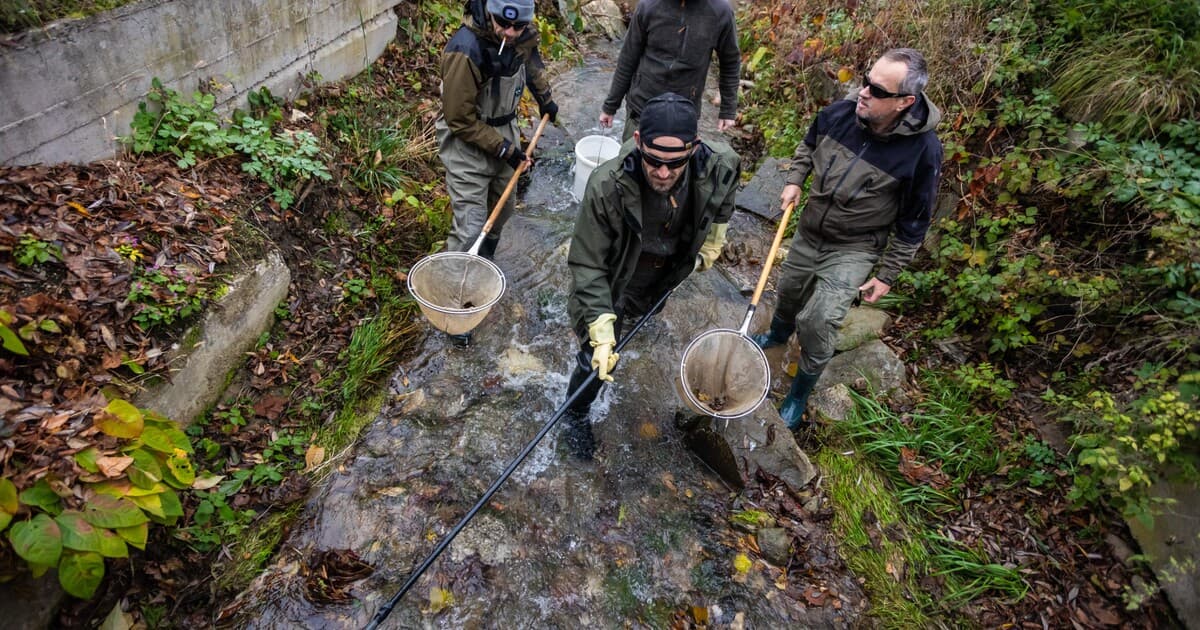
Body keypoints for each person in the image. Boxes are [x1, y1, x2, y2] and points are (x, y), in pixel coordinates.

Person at [752, 48, 943, 429]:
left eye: (876, 89)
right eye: (865, 80)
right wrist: (794, 181)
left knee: (820, 320)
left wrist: (887, 275)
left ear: (905, 102)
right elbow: (807, 146)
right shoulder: (841, 114)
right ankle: (777, 332)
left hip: (854, 247)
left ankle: (799, 393)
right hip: (809, 230)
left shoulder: (923, 152)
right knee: (789, 291)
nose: (863, 91)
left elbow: (914, 221)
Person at [561, 92, 740, 458]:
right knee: (595, 352)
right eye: (653, 161)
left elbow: (726, 188)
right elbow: (587, 263)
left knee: (643, 313)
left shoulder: (719, 163)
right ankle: (575, 414)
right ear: (639, 141)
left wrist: (716, 235)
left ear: (695, 147)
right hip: (617, 268)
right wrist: (599, 326)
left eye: (674, 164)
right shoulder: (606, 184)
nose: (662, 172)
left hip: (667, 264)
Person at [436, 0, 558, 346]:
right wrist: (505, 150)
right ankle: (454, 310)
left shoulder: (522, 32)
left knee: (502, 210)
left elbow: (531, 63)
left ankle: (482, 265)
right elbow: (459, 119)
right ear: (489, 14)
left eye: (516, 28)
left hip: (503, 131)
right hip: (465, 142)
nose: (509, 33)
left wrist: (545, 97)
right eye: (502, 26)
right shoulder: (465, 48)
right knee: (471, 224)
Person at [598, 0, 741, 141]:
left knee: (673, 162)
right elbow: (628, 58)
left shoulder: (721, 12)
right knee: (631, 160)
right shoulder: (648, 6)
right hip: (642, 107)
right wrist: (610, 106)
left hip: (684, 112)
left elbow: (730, 62)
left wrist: (728, 110)